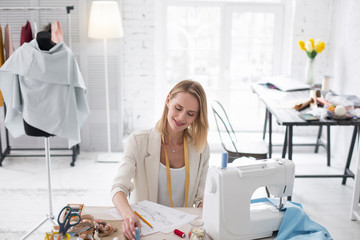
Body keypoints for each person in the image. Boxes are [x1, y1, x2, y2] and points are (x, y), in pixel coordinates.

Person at [111, 80, 210, 240]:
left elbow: (200, 199)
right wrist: (128, 215)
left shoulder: (201, 148)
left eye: (190, 114)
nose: (181, 117)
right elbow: (118, 188)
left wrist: (210, 207)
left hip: (182, 231)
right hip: (145, 229)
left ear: (197, 117)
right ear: (168, 100)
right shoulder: (138, 141)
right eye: (178, 108)